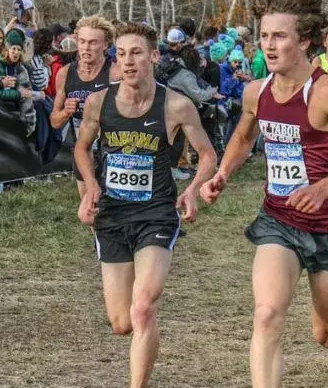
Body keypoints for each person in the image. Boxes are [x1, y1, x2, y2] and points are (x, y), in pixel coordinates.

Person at [200, 0, 328, 388]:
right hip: (278, 220)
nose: (268, 44)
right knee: (267, 314)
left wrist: (324, 189)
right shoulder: (256, 92)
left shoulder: (326, 92)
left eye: (279, 36)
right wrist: (223, 174)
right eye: (264, 35)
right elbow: (246, 135)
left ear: (303, 41)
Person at [74, 22, 216, 388]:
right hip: (113, 216)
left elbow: (207, 156)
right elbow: (81, 148)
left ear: (154, 55)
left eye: (136, 52)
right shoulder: (98, 102)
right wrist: (90, 186)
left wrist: (192, 189)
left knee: (143, 308)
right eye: (121, 54)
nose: (128, 62)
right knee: (122, 323)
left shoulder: (176, 105)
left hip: (156, 213)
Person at [51, 16, 116, 203]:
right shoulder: (65, 73)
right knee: (89, 205)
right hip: (83, 149)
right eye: (82, 42)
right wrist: (65, 112)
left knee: (114, 206)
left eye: (93, 42)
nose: (86, 48)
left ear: (105, 45)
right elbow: (54, 121)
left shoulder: (116, 73)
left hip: (113, 148)